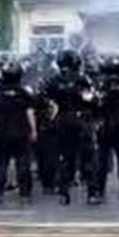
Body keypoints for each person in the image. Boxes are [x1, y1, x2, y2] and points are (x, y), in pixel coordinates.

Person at [41, 50, 98, 205]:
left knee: (65, 158)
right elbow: (92, 100)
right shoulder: (82, 79)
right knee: (87, 157)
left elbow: (46, 101)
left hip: (63, 120)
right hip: (81, 119)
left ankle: (64, 194)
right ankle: (92, 193)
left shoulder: (54, 81)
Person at [0, 60, 37, 206]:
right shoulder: (24, 93)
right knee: (23, 163)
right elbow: (30, 113)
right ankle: (25, 194)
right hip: (21, 132)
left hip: (2, 132)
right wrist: (33, 130)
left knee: (1, 164)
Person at [95, 56, 119, 201]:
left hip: (105, 127)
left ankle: (101, 190)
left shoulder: (101, 85)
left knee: (103, 160)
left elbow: (95, 103)